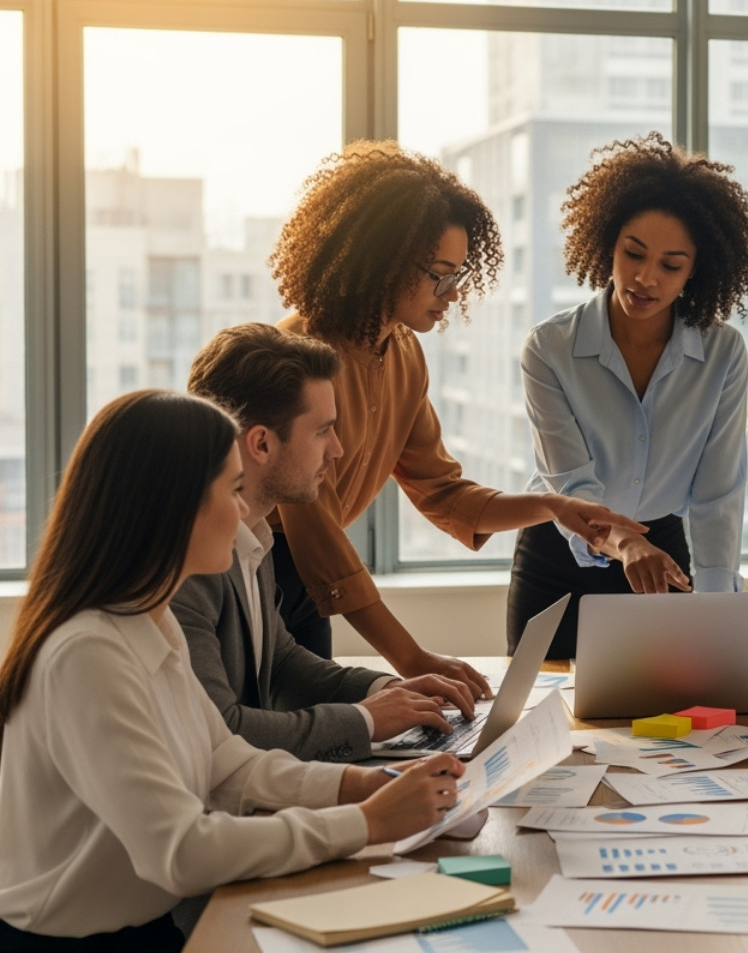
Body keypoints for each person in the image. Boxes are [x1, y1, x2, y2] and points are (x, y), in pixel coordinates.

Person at [0, 391, 462, 951]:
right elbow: (182, 851)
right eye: (234, 490)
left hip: (145, 925)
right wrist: (366, 823)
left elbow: (225, 763)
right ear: (173, 508)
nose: (244, 512)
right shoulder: (87, 654)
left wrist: (357, 786)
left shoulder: (148, 621)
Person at [269, 141, 643, 693]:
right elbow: (316, 535)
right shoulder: (298, 355)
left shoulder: (403, 353)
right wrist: (411, 658)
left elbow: (444, 494)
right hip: (251, 572)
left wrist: (552, 506)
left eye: (459, 274)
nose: (453, 293)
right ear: (383, 260)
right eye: (440, 275)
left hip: (305, 584)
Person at [507, 133, 748, 659]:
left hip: (660, 558)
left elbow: (717, 495)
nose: (645, 278)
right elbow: (571, 484)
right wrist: (625, 543)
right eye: (633, 253)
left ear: (696, 270)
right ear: (608, 243)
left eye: (671, 265)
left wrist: (717, 607)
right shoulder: (550, 349)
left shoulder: (722, 353)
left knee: (677, 704)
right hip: (559, 558)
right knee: (543, 707)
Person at [172, 323, 478, 762]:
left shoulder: (254, 537)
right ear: (261, 443)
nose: (337, 450)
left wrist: (389, 690)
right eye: (323, 431)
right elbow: (222, 732)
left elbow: (280, 663)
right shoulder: (187, 560)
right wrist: (366, 720)